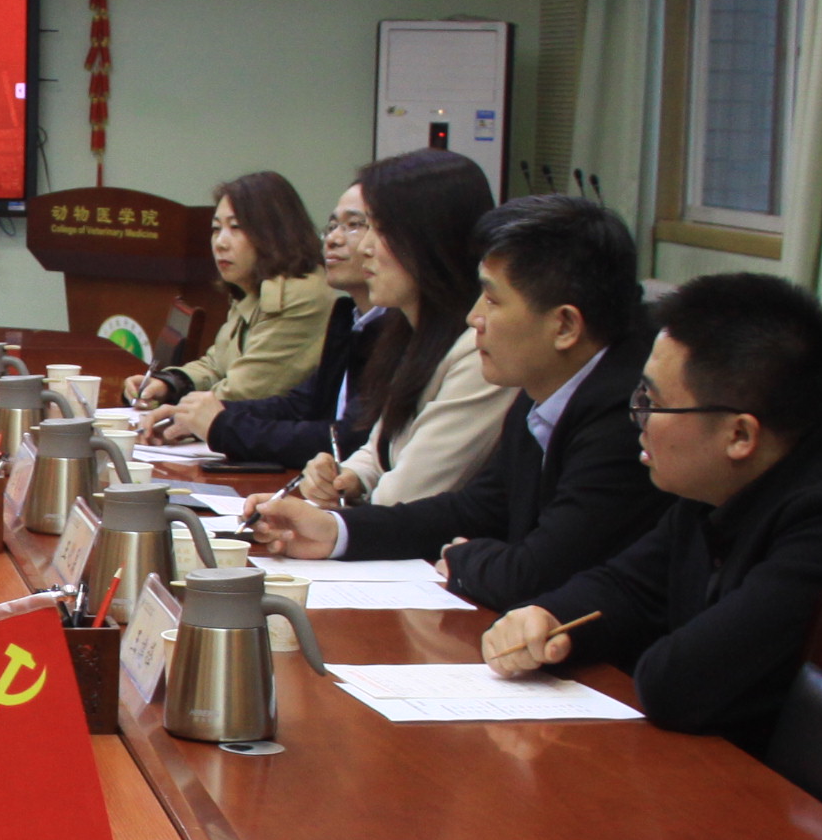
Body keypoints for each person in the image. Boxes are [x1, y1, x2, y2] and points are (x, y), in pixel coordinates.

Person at [486, 271, 822, 741]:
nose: (637, 419)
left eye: (653, 403)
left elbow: (681, 684)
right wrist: (547, 617)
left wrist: (620, 637)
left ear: (739, 435)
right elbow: (629, 585)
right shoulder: (735, 476)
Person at [250, 196, 662, 613]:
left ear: (565, 325)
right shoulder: (544, 386)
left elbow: (538, 572)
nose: (473, 317)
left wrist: (465, 560)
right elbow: (477, 509)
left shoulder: (626, 414)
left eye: (492, 300)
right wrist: (334, 530)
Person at [296, 148, 508, 509]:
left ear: (433, 237)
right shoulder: (410, 331)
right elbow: (382, 449)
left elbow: (406, 496)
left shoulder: (481, 349)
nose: (364, 247)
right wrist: (346, 477)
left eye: (380, 229)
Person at [147, 181, 381, 464]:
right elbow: (300, 403)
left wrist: (212, 422)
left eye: (354, 225)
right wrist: (175, 389)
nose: (332, 240)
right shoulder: (349, 316)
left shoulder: (300, 296)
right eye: (216, 229)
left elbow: (347, 438)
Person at [124, 172, 337, 413]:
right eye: (216, 229)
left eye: (236, 227)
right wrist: (168, 384)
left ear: (275, 232)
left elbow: (245, 391)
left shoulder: (299, 295)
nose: (220, 243)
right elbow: (217, 365)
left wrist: (175, 414)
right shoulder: (253, 286)